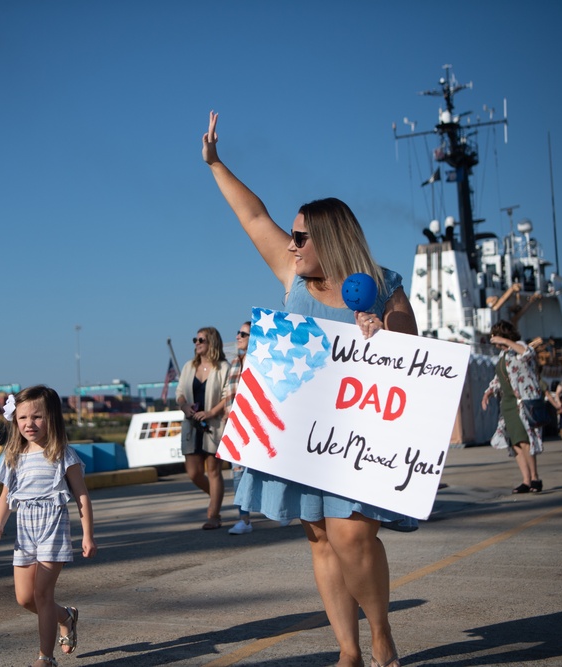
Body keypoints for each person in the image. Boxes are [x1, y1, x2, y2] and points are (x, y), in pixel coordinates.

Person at [202, 111, 416, 667]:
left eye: (301, 237)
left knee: (353, 539)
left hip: (356, 437)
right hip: (300, 433)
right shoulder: (295, 276)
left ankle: (382, 637)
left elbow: (412, 343)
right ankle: (347, 651)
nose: (291, 244)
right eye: (292, 237)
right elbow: (253, 217)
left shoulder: (383, 283)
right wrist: (216, 164)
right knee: (319, 537)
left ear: (330, 238)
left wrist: (382, 328)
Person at [0, 386, 96, 667]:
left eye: (37, 417)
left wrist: (87, 535)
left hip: (53, 529)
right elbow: (5, 497)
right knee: (25, 599)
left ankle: (45, 658)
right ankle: (66, 617)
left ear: (52, 418)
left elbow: (81, 494)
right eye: (22, 417)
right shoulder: (13, 456)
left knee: (42, 594)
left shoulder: (63, 454)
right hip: (25, 532)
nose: (29, 423)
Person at [175, 327, 230, 530]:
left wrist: (211, 412)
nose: (197, 343)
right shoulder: (189, 366)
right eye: (195, 339)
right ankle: (215, 497)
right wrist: (184, 406)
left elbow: (228, 395)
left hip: (213, 425)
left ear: (212, 343)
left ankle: (213, 515)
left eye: (201, 340)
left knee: (214, 471)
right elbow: (180, 392)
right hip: (191, 425)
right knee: (194, 473)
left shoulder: (223, 367)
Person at [481, 320, 545, 493]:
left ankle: (535, 478)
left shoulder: (519, 347)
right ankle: (525, 480)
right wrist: (488, 393)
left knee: (525, 440)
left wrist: (507, 342)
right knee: (515, 442)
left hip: (523, 402)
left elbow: (527, 354)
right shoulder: (503, 356)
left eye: (496, 336)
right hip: (508, 403)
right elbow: (498, 379)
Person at [224, 321, 254, 535]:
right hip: (235, 426)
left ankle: (283, 512)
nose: (238, 336)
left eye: (243, 333)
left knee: (267, 473)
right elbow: (228, 393)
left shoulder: (260, 361)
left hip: (256, 426)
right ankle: (244, 519)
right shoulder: (235, 362)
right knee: (237, 474)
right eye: (238, 333)